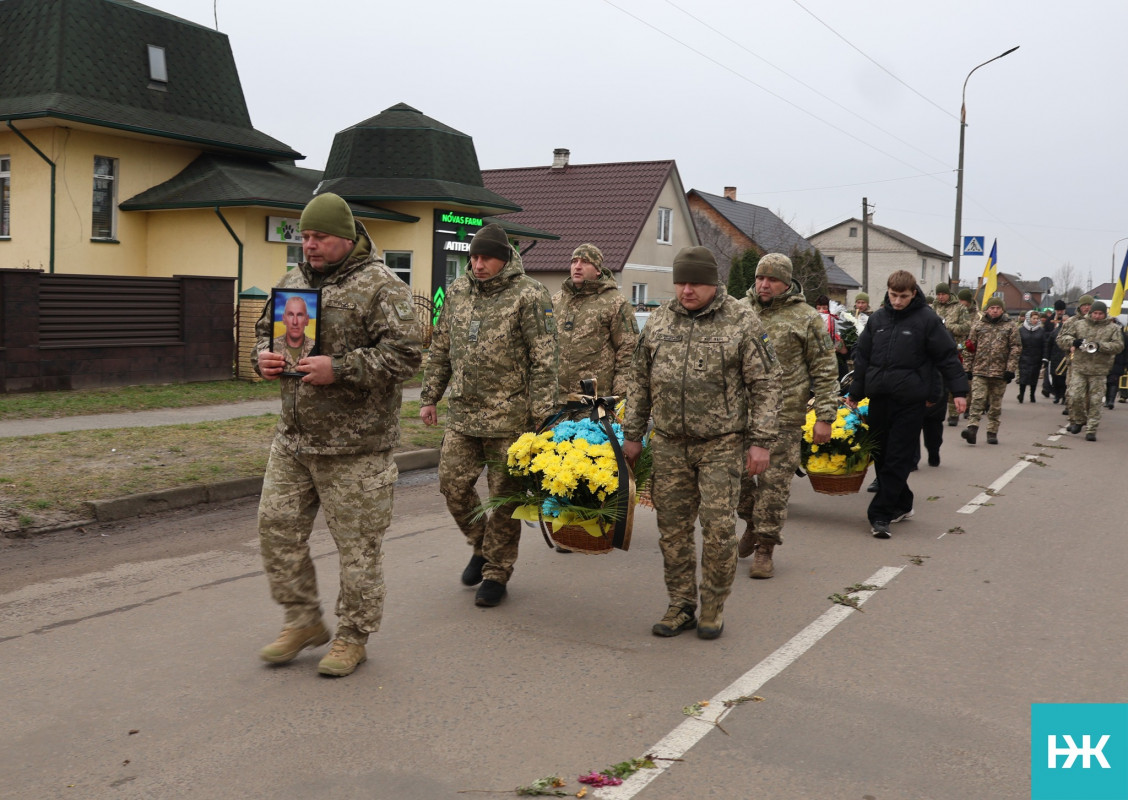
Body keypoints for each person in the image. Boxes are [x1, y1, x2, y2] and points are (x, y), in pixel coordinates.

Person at [253, 192, 422, 677]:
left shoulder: (381, 286)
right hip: (294, 440)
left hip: (356, 448)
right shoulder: (292, 282)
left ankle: (353, 636)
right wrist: (262, 359)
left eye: (320, 237)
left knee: (358, 548)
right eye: (305, 236)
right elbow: (265, 332)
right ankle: (302, 619)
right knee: (276, 528)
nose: (309, 245)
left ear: (346, 238)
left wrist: (341, 368)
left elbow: (407, 355)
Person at [623, 246, 781, 639]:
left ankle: (712, 605)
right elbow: (639, 379)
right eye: (681, 282)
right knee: (672, 529)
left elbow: (765, 384)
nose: (687, 290)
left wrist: (761, 441)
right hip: (670, 443)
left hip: (721, 444)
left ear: (713, 283)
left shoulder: (741, 320)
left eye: (695, 283)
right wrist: (632, 434)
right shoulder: (659, 319)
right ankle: (681, 604)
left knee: (718, 529)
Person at [420, 223, 557, 607]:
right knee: (452, 485)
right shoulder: (458, 291)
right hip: (464, 414)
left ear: (504, 258)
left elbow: (544, 360)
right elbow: (441, 347)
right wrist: (430, 397)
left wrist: (543, 416)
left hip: (510, 418)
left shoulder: (530, 294)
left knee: (504, 499)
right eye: (474, 258)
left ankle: (497, 571)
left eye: (486, 258)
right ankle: (481, 545)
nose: (478, 265)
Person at [736, 253, 837, 579]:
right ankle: (752, 522)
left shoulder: (806, 318)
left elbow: (825, 368)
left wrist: (825, 416)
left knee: (773, 486)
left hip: (785, 416)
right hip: (738, 416)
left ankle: (765, 549)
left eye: (772, 279)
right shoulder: (739, 311)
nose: (764, 284)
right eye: (759, 278)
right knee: (733, 479)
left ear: (786, 282)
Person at [847, 270, 968, 539]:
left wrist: (959, 391)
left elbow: (947, 356)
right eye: (893, 295)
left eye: (903, 296)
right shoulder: (878, 319)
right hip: (879, 398)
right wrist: (854, 392)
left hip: (910, 401)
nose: (897, 301)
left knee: (898, 457)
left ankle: (880, 515)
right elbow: (863, 357)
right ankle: (902, 503)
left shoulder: (927, 319)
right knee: (880, 454)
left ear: (913, 293)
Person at [552, 243, 638, 402]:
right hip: (558, 400)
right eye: (574, 261)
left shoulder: (615, 302)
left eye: (585, 262)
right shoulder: (557, 300)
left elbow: (628, 352)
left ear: (598, 270)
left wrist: (619, 398)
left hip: (594, 401)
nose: (577, 266)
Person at [1059, 300, 1124, 440]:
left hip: (1099, 370)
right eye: (1095, 313)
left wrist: (1100, 346)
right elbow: (1062, 338)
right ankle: (1079, 420)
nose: (1097, 316)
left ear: (1105, 314)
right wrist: (1073, 342)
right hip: (1079, 368)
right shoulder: (1079, 324)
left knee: (1095, 401)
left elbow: (1119, 346)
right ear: (1091, 313)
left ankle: (1091, 429)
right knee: (1075, 396)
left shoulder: (1113, 328)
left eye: (1100, 314)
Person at [961, 297, 1020, 445]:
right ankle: (972, 429)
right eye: (992, 308)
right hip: (979, 370)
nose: (994, 311)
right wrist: (967, 368)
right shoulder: (978, 325)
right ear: (987, 309)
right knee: (977, 400)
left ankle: (992, 431)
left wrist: (1010, 369)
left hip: (1000, 373)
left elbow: (1015, 348)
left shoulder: (1010, 326)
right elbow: (969, 348)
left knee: (995, 404)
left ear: (1002, 310)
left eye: (998, 308)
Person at [931, 283, 971, 425]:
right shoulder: (933, 308)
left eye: (943, 294)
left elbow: (967, 327)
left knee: (952, 380)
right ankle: (934, 410)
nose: (940, 297)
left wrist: (948, 326)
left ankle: (954, 413)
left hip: (955, 348)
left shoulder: (959, 308)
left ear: (949, 294)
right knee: (937, 381)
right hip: (936, 349)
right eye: (938, 294)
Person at [272, 295, 316, 372]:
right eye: (291, 315)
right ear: (284, 319)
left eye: (299, 315)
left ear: (307, 320)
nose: (295, 322)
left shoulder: (315, 348)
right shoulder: (272, 346)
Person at [956, 288, 981, 419]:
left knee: (970, 382)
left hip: (971, 351)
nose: (960, 303)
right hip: (958, 350)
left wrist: (964, 346)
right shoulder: (957, 312)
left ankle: (969, 406)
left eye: (962, 300)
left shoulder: (977, 316)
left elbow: (973, 337)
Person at [1016, 310, 1050, 403]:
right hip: (1024, 357)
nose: (1035, 320)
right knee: (1023, 376)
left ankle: (1032, 395)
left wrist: (1045, 357)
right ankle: (1021, 394)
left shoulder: (1041, 331)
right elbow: (1017, 344)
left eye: (1037, 318)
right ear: (1028, 319)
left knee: (1034, 377)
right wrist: (1017, 355)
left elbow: (1045, 345)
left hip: (1036, 357)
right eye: (1033, 318)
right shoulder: (1021, 330)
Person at [815, 294, 849, 378]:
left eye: (825, 308)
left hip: (838, 367)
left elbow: (845, 352)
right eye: (818, 308)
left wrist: (841, 348)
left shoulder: (840, 326)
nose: (821, 311)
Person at [1045, 301, 1069, 403]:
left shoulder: (1070, 320)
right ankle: (1056, 394)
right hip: (1054, 354)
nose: (1060, 312)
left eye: (1061, 310)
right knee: (1054, 377)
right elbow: (1045, 334)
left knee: (1064, 378)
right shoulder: (1050, 320)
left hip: (1065, 355)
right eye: (1058, 310)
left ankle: (1063, 396)